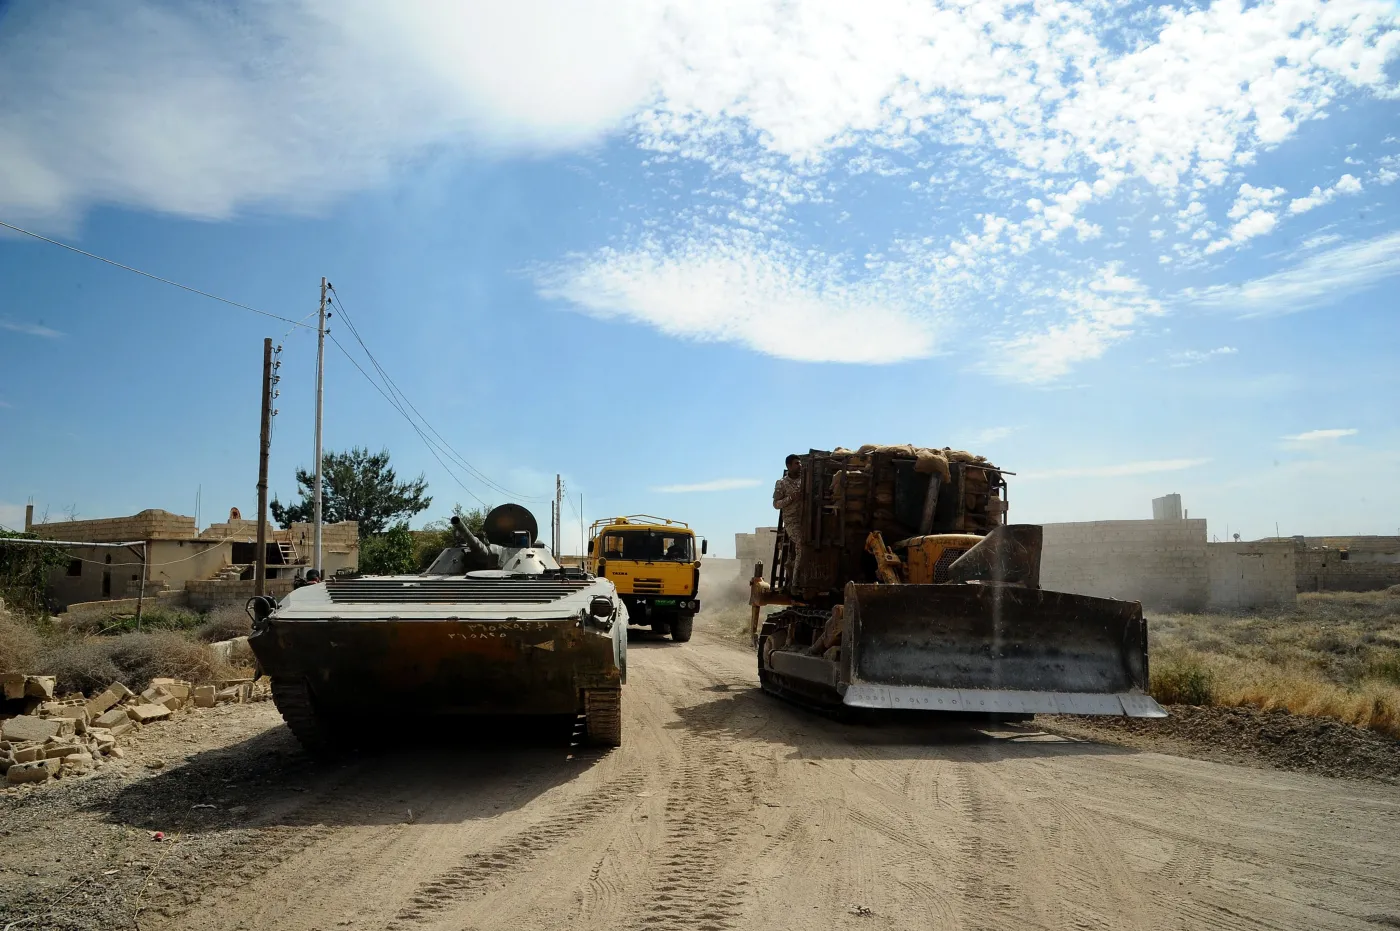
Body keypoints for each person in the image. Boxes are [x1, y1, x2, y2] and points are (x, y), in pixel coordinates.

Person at [773, 454, 805, 581]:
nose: (800, 466)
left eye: (800, 463)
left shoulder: (805, 480)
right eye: (796, 463)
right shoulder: (782, 483)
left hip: (806, 519)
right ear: (789, 466)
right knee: (801, 545)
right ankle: (795, 582)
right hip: (792, 520)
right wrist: (791, 498)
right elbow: (776, 504)